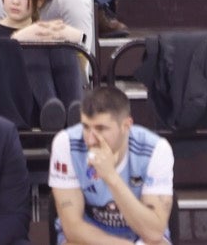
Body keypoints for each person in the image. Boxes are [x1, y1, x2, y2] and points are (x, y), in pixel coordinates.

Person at [49, 86, 175, 243]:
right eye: (86, 127)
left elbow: (153, 233)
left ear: (126, 126)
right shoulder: (66, 143)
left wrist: (111, 177)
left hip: (141, 235)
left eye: (101, 129)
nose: (90, 140)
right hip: (90, 237)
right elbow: (72, 228)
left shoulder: (156, 149)